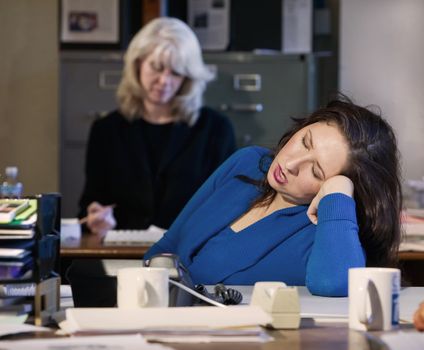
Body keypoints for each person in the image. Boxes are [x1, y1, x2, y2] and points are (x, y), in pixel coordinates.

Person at [145, 95, 403, 297]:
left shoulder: (324, 230)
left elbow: (334, 283)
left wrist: (338, 190)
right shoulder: (249, 162)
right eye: (304, 142)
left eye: (315, 171)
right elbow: (167, 247)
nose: (291, 163)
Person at [78, 17, 236, 235]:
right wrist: (97, 219)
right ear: (138, 64)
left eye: (176, 73)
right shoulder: (106, 130)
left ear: (188, 77)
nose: (164, 81)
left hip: (188, 255)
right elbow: (89, 206)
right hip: (121, 254)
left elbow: (228, 206)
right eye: (157, 67)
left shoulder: (215, 130)